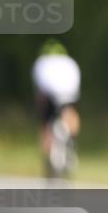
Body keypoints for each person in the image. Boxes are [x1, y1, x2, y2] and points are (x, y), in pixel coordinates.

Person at [32, 39, 81, 167]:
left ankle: (47, 154)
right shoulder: (70, 62)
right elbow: (76, 86)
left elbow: (40, 90)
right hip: (69, 95)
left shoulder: (41, 62)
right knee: (71, 113)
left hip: (50, 96)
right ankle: (72, 141)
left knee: (45, 124)